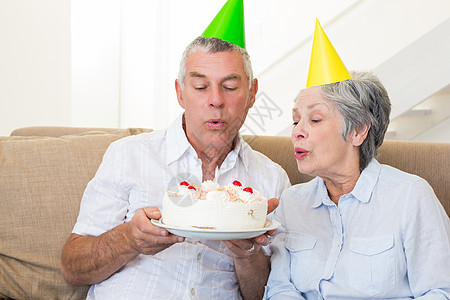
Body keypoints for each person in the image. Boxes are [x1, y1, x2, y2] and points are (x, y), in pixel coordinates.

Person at [61, 1, 291, 299]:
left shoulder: (271, 180)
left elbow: (269, 292)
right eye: (200, 87)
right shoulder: (128, 155)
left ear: (252, 93)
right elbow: (72, 268)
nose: (216, 101)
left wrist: (248, 254)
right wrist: (129, 238)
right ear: (180, 92)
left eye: (230, 87)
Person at [265, 19, 450, 299]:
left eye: (314, 119)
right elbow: (279, 288)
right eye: (295, 121)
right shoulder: (291, 203)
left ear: (358, 131)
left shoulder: (411, 197)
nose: (297, 132)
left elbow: (439, 291)